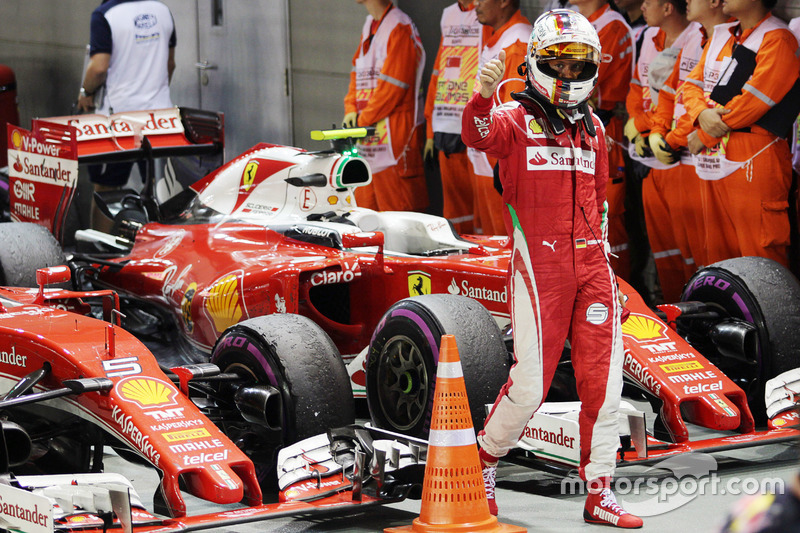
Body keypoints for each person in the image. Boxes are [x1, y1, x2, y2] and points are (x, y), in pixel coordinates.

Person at [463, 9, 643, 528]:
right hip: (538, 268)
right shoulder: (515, 120)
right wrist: (482, 94)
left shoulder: (595, 130)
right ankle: (485, 461)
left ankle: (601, 493)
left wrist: (604, 257)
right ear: (537, 63)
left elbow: (602, 198)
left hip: (593, 266)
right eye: (559, 64)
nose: (568, 76)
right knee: (530, 385)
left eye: (579, 65)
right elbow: (477, 134)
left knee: (604, 387)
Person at [682, 0, 800, 268]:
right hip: (714, 160)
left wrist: (704, 135)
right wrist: (701, 115)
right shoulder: (726, 34)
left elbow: (753, 103)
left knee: (761, 258)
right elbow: (690, 86)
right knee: (718, 258)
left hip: (754, 159)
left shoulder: (778, 38)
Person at [646, 0, 730, 279]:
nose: (687, 1)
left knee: (707, 255)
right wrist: (658, 131)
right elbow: (674, 90)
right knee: (677, 252)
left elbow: (718, 107)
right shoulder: (700, 38)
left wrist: (673, 138)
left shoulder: (733, 39)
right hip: (680, 154)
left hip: (702, 158)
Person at [77, 0, 176, 231]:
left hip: (117, 121)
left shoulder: (105, 15)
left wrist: (86, 92)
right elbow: (170, 65)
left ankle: (97, 258)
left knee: (106, 191)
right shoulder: (162, 10)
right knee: (159, 189)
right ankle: (163, 253)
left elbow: (99, 67)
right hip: (160, 120)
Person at [625, 0, 699, 303]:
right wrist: (638, 125)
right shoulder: (648, 37)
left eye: (649, 1)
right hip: (650, 156)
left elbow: (683, 98)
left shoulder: (697, 37)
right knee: (663, 247)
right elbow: (636, 88)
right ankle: (672, 312)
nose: (642, 6)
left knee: (692, 248)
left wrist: (649, 127)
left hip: (683, 158)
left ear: (668, 7)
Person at [569, 0, 634, 281]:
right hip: (576, 124)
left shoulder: (611, 25)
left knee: (607, 215)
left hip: (604, 126)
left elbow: (579, 77)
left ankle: (620, 289)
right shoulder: (575, 19)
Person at [343, 0, 428, 213]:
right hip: (368, 143)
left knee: (399, 226)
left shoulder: (399, 26)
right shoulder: (370, 25)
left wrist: (360, 123)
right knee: (365, 221)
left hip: (395, 144)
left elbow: (393, 89)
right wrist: (350, 108)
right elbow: (356, 71)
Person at [465, 0, 531, 236]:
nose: (475, 3)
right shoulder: (500, 36)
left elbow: (514, 115)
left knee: (503, 248)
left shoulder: (517, 43)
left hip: (499, 167)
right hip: (484, 161)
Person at [424, 0, 482, 234]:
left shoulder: (488, 12)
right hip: (447, 123)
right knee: (455, 211)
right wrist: (430, 131)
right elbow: (438, 73)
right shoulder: (448, 16)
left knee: (482, 208)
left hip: (477, 127)